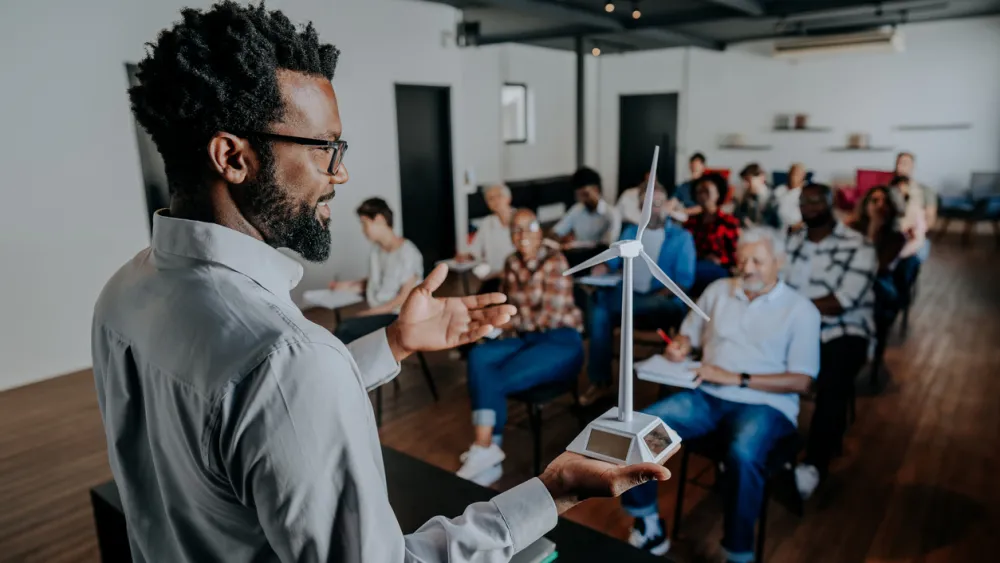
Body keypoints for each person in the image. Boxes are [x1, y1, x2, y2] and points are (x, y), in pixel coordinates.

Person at [92, 4, 670, 562]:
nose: (341, 172)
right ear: (232, 156)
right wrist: (553, 490)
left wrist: (394, 342)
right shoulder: (285, 359)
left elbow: (244, 423)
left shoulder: (121, 296)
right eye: (326, 148)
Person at [621, 228, 820, 561]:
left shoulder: (801, 310)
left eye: (758, 260)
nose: (748, 267)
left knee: (743, 453)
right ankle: (648, 523)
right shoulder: (717, 291)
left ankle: (739, 552)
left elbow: (802, 381)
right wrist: (680, 347)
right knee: (643, 430)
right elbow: (688, 336)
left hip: (766, 405)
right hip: (706, 395)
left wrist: (736, 378)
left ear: (779, 262)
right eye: (742, 259)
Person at [458, 210, 585, 486]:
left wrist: (507, 321)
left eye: (529, 228)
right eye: (516, 229)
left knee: (496, 377)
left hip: (560, 340)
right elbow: (509, 308)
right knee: (479, 355)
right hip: (525, 337)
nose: (522, 235)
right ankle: (488, 451)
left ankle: (486, 448)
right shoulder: (511, 262)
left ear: (540, 231)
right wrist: (491, 322)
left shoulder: (555, 260)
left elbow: (548, 316)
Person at [784, 184, 876, 499]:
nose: (807, 207)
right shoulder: (793, 241)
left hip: (842, 329)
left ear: (830, 203)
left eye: (814, 201)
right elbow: (776, 285)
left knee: (833, 382)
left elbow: (842, 301)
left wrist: (788, 310)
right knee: (750, 361)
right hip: (792, 328)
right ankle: (765, 448)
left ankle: (814, 465)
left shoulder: (858, 245)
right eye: (802, 201)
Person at [581, 182, 696, 406]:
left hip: (663, 301)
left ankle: (658, 383)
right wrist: (603, 267)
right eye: (646, 205)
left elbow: (684, 281)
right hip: (629, 295)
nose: (652, 210)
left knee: (606, 306)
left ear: (667, 206)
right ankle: (600, 381)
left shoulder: (681, 237)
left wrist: (663, 293)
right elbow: (613, 260)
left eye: (657, 204)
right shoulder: (630, 232)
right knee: (599, 309)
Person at [328, 197, 423, 343]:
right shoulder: (377, 251)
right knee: (346, 327)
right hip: (380, 312)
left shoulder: (408, 254)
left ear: (379, 219)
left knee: (345, 329)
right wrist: (346, 286)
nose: (363, 230)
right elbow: (375, 282)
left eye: (364, 223)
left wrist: (368, 314)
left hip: (397, 315)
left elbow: (403, 298)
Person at [684, 174, 740, 295]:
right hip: (693, 263)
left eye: (706, 191)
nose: (702, 195)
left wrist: (720, 261)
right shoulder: (691, 222)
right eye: (699, 192)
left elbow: (735, 253)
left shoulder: (728, 222)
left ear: (718, 194)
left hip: (720, 268)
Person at [458, 183, 516, 294]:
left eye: (499, 196)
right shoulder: (487, 223)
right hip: (495, 276)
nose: (495, 201)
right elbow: (475, 251)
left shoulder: (520, 218)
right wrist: (465, 256)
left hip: (517, 275)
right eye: (490, 198)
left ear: (508, 198)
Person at [551, 167, 621, 247]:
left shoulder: (612, 213)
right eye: (579, 196)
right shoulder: (577, 209)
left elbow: (609, 245)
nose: (582, 200)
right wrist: (553, 243)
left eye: (585, 194)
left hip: (600, 256)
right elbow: (557, 231)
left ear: (596, 190)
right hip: (578, 255)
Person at [894, 151, 937, 238]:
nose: (900, 167)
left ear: (912, 167)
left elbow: (930, 218)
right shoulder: (886, 189)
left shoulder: (925, 191)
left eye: (905, 164)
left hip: (914, 233)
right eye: (898, 163)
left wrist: (918, 230)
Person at [733, 163, 778, 229]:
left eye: (748, 180)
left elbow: (770, 222)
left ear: (761, 177)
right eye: (744, 181)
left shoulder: (772, 196)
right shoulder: (747, 195)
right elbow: (738, 215)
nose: (745, 185)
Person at [772, 163, 808, 232]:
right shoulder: (779, 190)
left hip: (798, 229)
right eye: (792, 173)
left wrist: (795, 227)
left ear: (803, 176)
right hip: (778, 228)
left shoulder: (807, 192)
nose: (793, 177)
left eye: (797, 174)